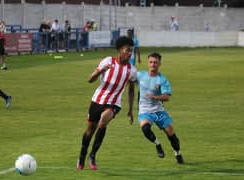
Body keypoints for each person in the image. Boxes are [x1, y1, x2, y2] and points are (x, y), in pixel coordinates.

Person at [76, 36, 137, 170]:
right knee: (90, 130)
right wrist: (101, 71)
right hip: (97, 100)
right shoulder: (108, 61)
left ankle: (92, 155)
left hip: (114, 103)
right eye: (127, 50)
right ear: (120, 50)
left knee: (103, 121)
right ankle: (82, 155)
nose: (129, 53)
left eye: (131, 51)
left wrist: (131, 110)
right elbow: (90, 80)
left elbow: (131, 91)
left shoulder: (132, 70)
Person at [135, 52, 184, 164]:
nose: (153, 64)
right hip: (144, 111)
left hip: (158, 110)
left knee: (171, 134)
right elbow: (127, 79)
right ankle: (158, 144)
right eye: (151, 62)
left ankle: (178, 153)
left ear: (159, 64)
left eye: (155, 62)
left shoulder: (162, 80)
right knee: (145, 129)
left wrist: (155, 97)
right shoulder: (140, 75)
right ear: (148, 63)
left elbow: (166, 97)